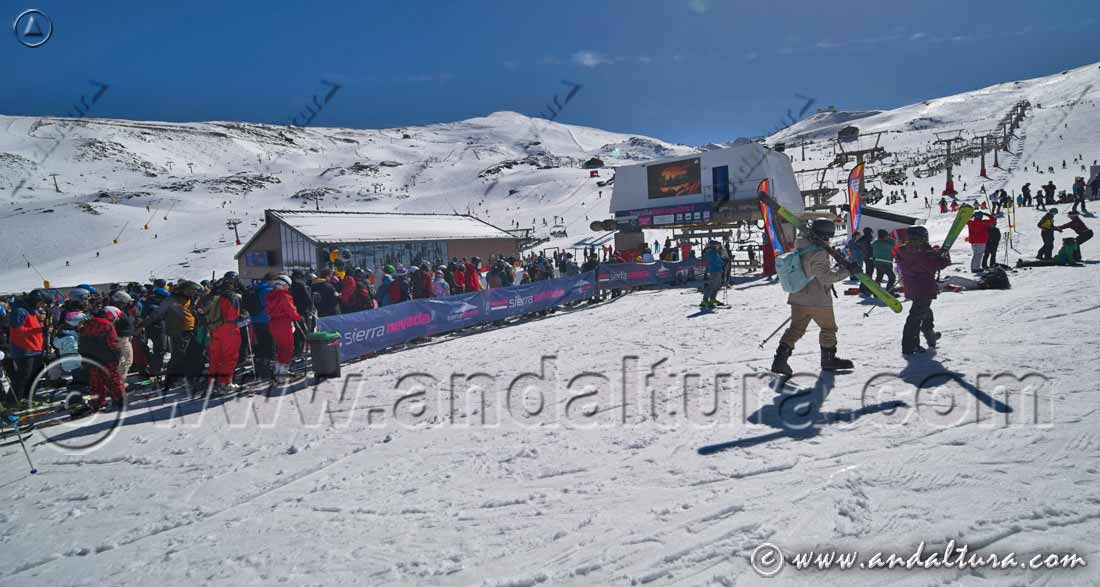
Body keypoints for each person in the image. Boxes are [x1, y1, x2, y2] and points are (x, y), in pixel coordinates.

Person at [770, 219, 855, 376]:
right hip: (817, 299)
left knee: (796, 329)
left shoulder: (801, 245)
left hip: (798, 296)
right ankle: (829, 360)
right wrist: (847, 272)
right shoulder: (819, 251)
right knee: (828, 329)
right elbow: (826, 278)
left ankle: (779, 360)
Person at [895, 226, 951, 355]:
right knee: (915, 317)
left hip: (911, 287)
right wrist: (943, 255)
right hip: (924, 288)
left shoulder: (902, 250)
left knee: (925, 313)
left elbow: (908, 259)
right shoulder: (925, 253)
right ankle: (910, 346)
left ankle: (930, 336)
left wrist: (935, 254)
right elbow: (939, 264)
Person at [79, 309, 124, 410]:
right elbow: (113, 342)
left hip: (91, 358)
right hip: (107, 357)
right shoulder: (107, 325)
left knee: (96, 382)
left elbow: (81, 343)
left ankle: (97, 402)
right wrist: (118, 355)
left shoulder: (85, 325)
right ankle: (119, 400)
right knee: (113, 379)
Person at [205, 278, 243, 394]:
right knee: (229, 357)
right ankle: (225, 384)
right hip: (229, 330)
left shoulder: (215, 296)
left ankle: (212, 382)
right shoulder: (232, 297)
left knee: (216, 357)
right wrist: (241, 316)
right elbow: (232, 316)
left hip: (215, 329)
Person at [265, 275, 302, 384]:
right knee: (287, 349)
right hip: (283, 323)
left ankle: (278, 372)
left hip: (273, 323)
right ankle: (282, 375)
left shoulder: (270, 295)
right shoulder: (284, 295)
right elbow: (290, 310)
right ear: (284, 284)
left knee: (281, 348)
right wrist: (298, 317)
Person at [700, 241, 726, 309]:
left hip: (718, 270)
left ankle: (712, 299)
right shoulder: (711, 252)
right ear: (714, 245)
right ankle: (705, 300)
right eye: (717, 245)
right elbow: (715, 261)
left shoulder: (715, 252)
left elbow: (718, 260)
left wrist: (723, 260)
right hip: (714, 271)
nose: (718, 247)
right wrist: (722, 262)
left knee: (717, 286)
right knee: (712, 286)